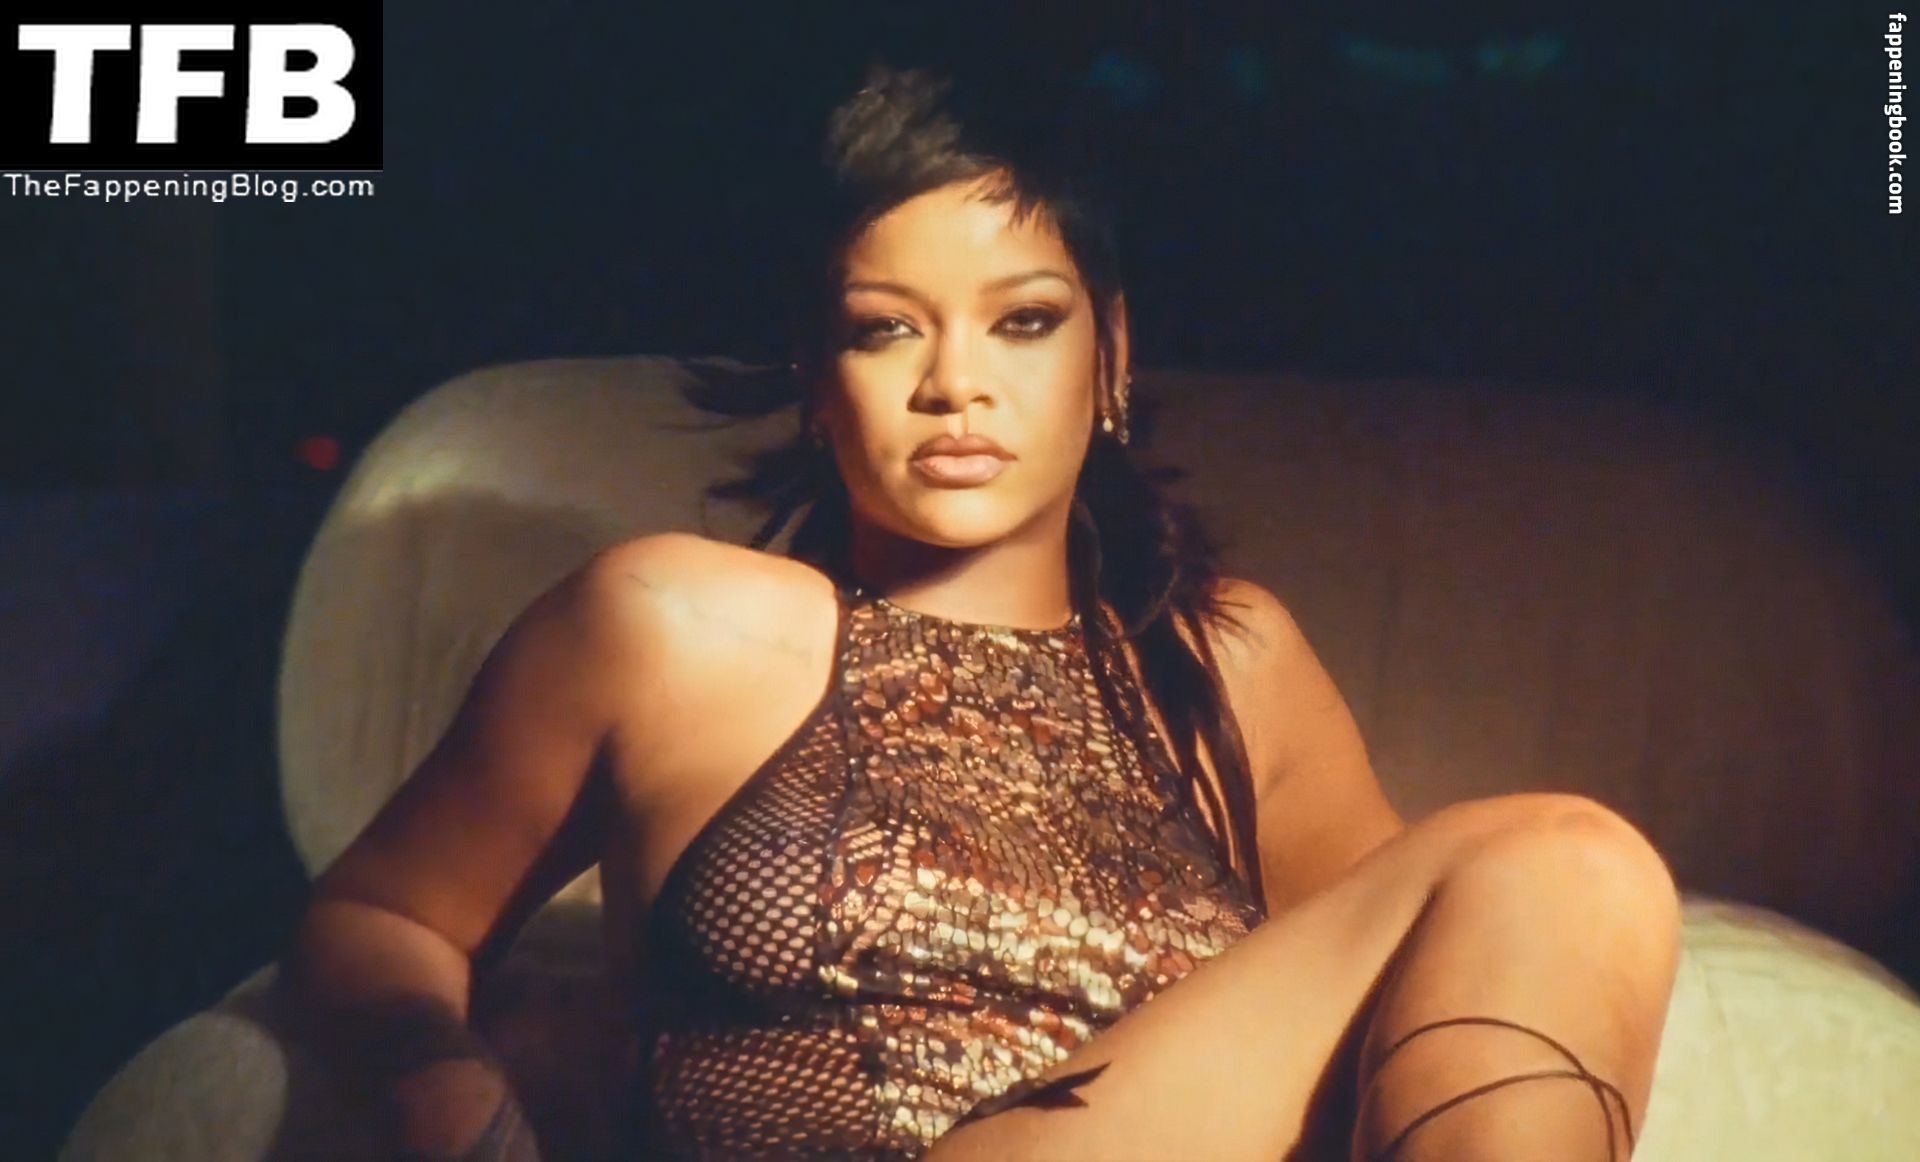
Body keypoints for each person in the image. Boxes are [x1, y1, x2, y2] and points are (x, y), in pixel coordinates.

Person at [274, 63, 1683, 1161]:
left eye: (1023, 320)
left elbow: (1420, 1001)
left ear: (1109, 356)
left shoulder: (1228, 669)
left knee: (1570, 867)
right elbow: (380, 913)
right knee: (1560, 853)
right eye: (886, 327)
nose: (956, 384)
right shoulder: (672, 625)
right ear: (816, 377)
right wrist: (440, 1082)